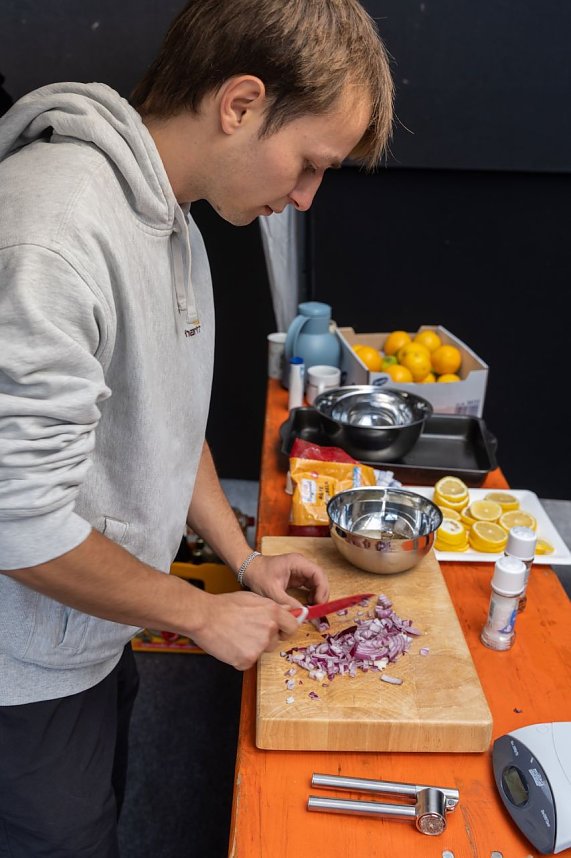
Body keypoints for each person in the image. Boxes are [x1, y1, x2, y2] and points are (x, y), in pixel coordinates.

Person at [0, 0, 394, 854]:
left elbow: (165, 430)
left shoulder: (173, 217)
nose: (302, 197)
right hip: (17, 674)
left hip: (94, 632)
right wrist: (198, 613)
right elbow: (18, 523)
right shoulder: (52, 235)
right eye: (308, 163)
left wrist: (243, 559)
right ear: (241, 104)